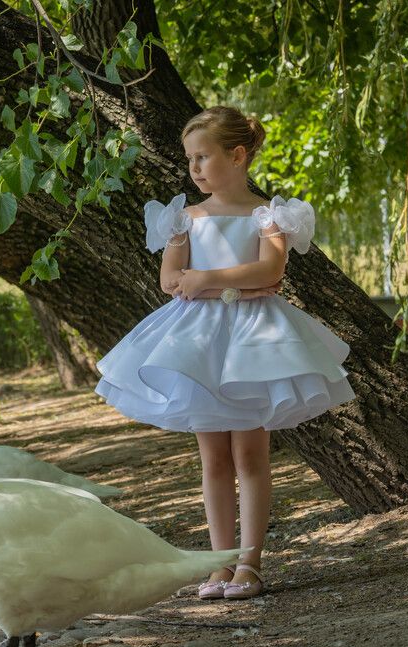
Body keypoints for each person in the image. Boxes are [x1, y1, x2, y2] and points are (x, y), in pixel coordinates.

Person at [95, 106, 355, 600]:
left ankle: (249, 565)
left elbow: (270, 272)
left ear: (237, 156)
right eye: (189, 159)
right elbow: (171, 280)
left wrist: (209, 281)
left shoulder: (268, 216)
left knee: (250, 454)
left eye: (203, 157)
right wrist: (225, 286)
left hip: (253, 345)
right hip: (199, 346)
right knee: (213, 457)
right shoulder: (185, 219)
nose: (194, 168)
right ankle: (219, 564)